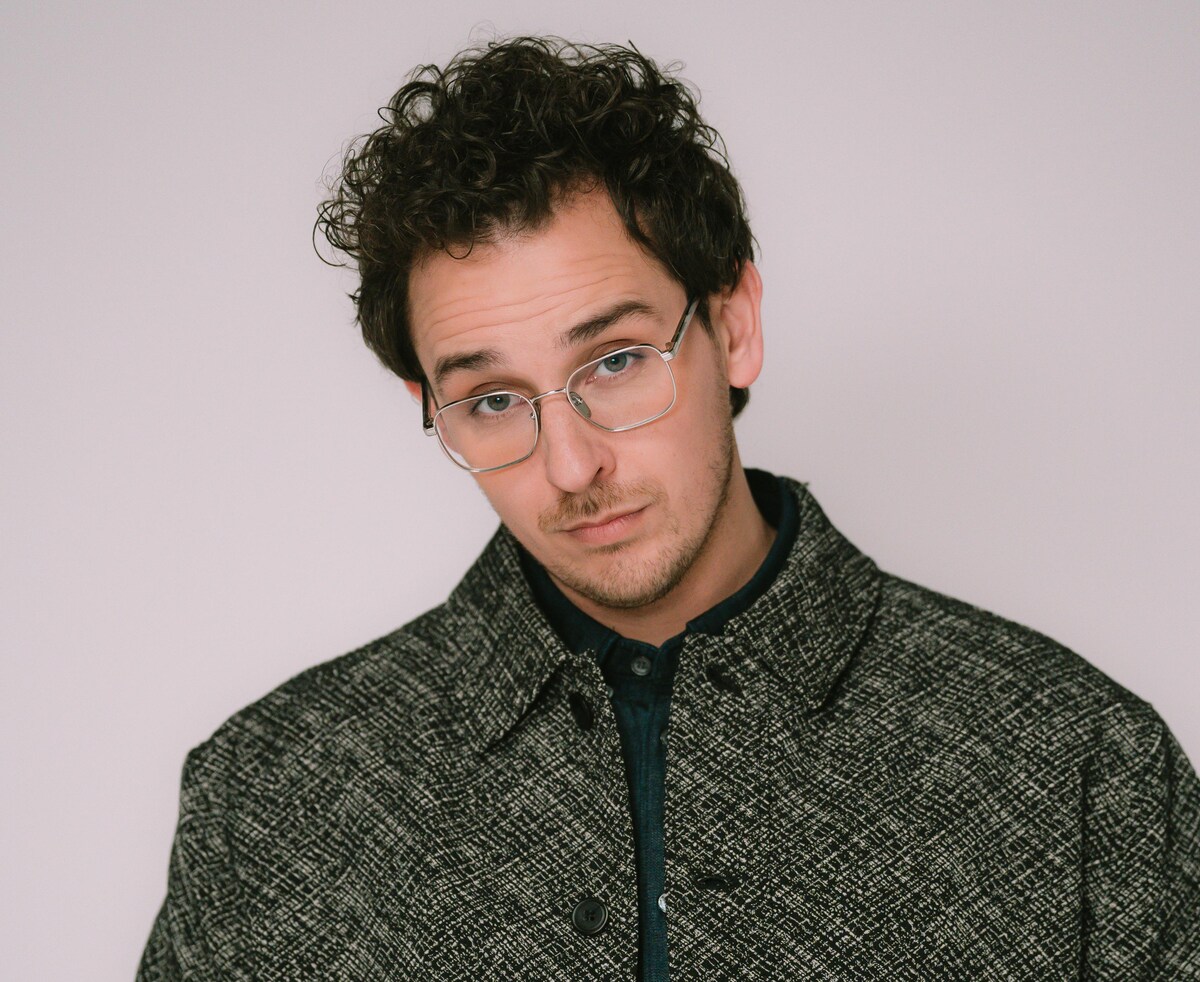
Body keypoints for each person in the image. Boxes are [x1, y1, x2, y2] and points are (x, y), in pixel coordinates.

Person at [136, 37, 1200, 981]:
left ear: (733, 326)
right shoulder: (265, 798)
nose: (571, 465)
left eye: (616, 360)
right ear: (431, 406)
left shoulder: (1080, 764)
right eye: (493, 400)